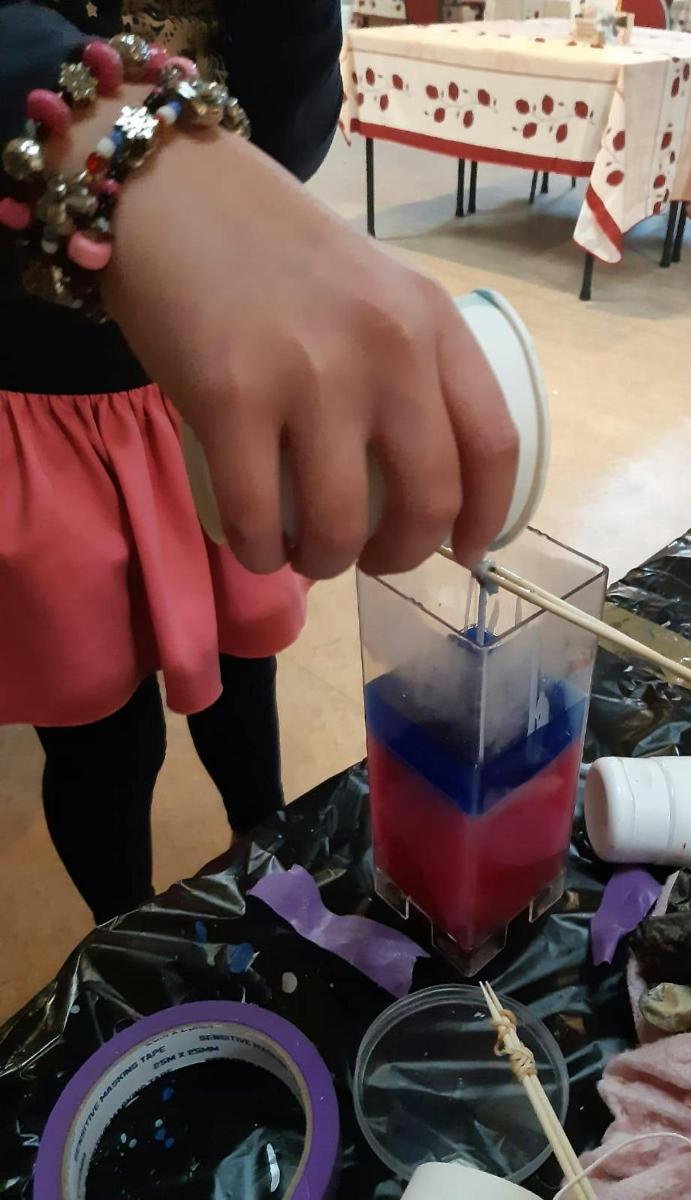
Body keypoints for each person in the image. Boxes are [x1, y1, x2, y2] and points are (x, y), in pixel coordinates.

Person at [0, 1, 517, 924]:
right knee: (101, 732)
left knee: (244, 667)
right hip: (39, 403)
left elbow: (285, 135)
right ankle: (127, 945)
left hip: (208, 388)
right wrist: (131, 140)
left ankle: (269, 858)